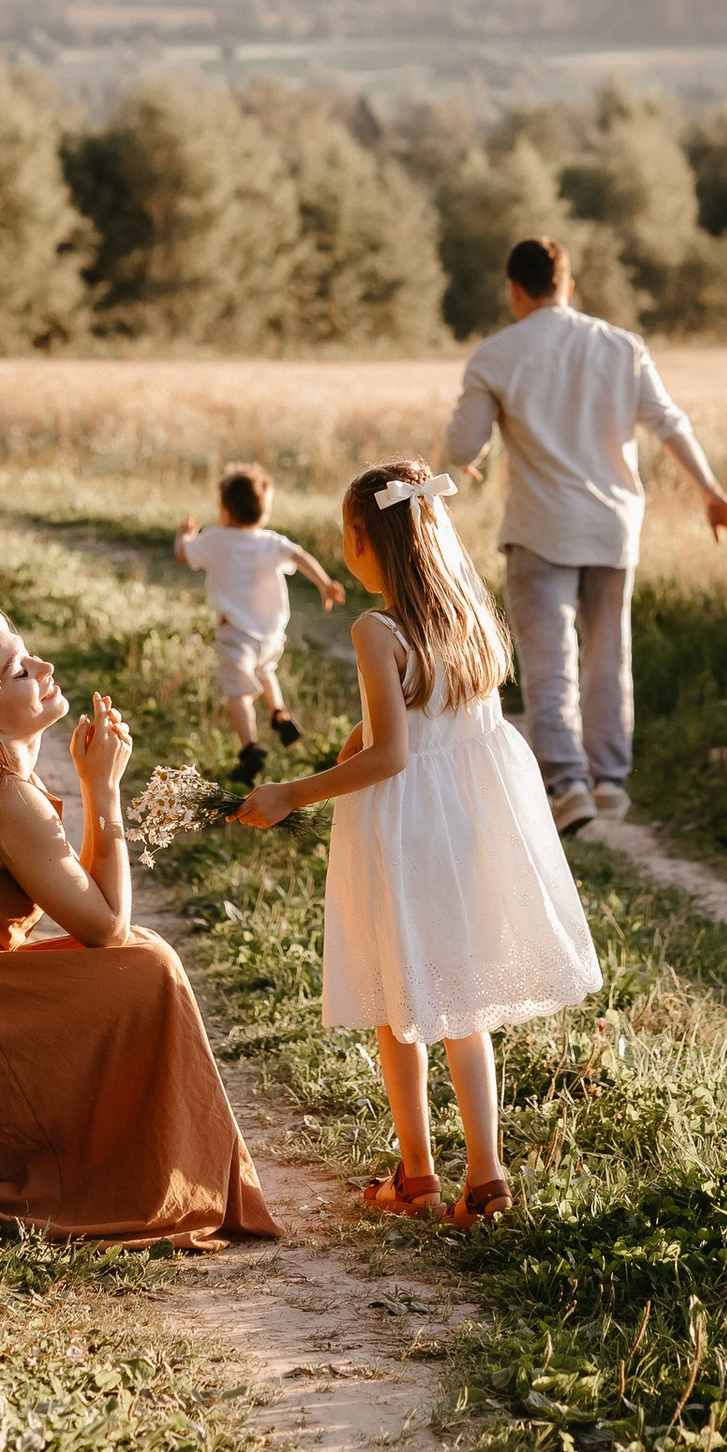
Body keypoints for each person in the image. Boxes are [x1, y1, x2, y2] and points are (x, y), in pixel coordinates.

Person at [0, 598, 275, 1246]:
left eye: (29, 654)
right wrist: (104, 792)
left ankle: (144, 1147)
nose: (43, 666)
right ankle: (163, 1167)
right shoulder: (0, 797)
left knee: (135, 959)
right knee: (147, 966)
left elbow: (90, 911)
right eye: (17, 672)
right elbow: (107, 928)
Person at [233, 457, 598, 1228]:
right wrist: (364, 731)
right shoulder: (465, 609)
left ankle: (418, 1173)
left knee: (400, 996)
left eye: (345, 535)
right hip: (470, 818)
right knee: (462, 1001)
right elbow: (433, 717)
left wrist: (287, 794)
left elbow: (395, 758)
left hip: (404, 824)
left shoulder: (377, 629)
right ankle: (488, 1179)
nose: (342, 549)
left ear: (368, 539)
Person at [439, 234, 727, 836]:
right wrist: (711, 491)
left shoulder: (496, 355)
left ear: (514, 290)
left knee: (551, 659)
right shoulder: (622, 347)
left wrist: (466, 458)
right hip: (612, 525)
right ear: (568, 284)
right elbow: (668, 423)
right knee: (609, 653)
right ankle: (609, 779)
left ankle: (567, 781)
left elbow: (461, 447)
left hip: (540, 526)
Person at [176, 462, 343, 782]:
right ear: (263, 513)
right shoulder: (272, 541)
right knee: (266, 671)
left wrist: (184, 536)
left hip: (235, 635)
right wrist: (324, 583)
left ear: (224, 510)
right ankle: (280, 716)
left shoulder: (214, 539)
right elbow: (301, 556)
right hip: (270, 634)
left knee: (238, 693)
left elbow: (184, 554)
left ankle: (250, 749)